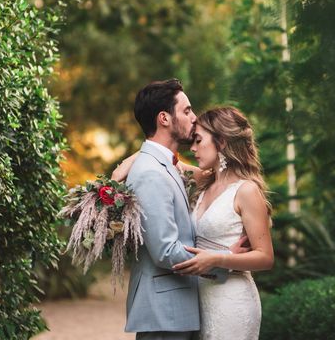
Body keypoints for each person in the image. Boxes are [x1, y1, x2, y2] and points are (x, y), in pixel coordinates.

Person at [114, 103, 273, 340]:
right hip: (199, 300)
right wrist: (127, 165)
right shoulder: (205, 181)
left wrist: (221, 258)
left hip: (231, 300)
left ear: (221, 142)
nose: (194, 149)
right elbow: (158, 155)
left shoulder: (247, 190)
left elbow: (266, 257)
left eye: (199, 141)